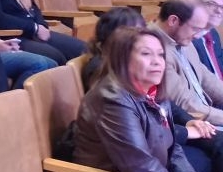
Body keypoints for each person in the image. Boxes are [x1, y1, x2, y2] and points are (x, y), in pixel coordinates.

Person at [73, 26, 196, 172]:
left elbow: (172, 148)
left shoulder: (154, 90)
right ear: (123, 59)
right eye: (146, 53)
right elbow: (140, 166)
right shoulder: (112, 99)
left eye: (161, 54)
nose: (157, 61)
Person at [151, 0, 223, 127]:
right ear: (173, 20)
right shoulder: (154, 49)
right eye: (195, 29)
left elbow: (207, 78)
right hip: (186, 123)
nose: (197, 36)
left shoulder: (183, 38)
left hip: (205, 114)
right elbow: (185, 104)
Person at [190, 0, 223, 81]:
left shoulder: (213, 33)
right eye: (212, 4)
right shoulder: (186, 38)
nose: (219, 11)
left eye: (222, 7)